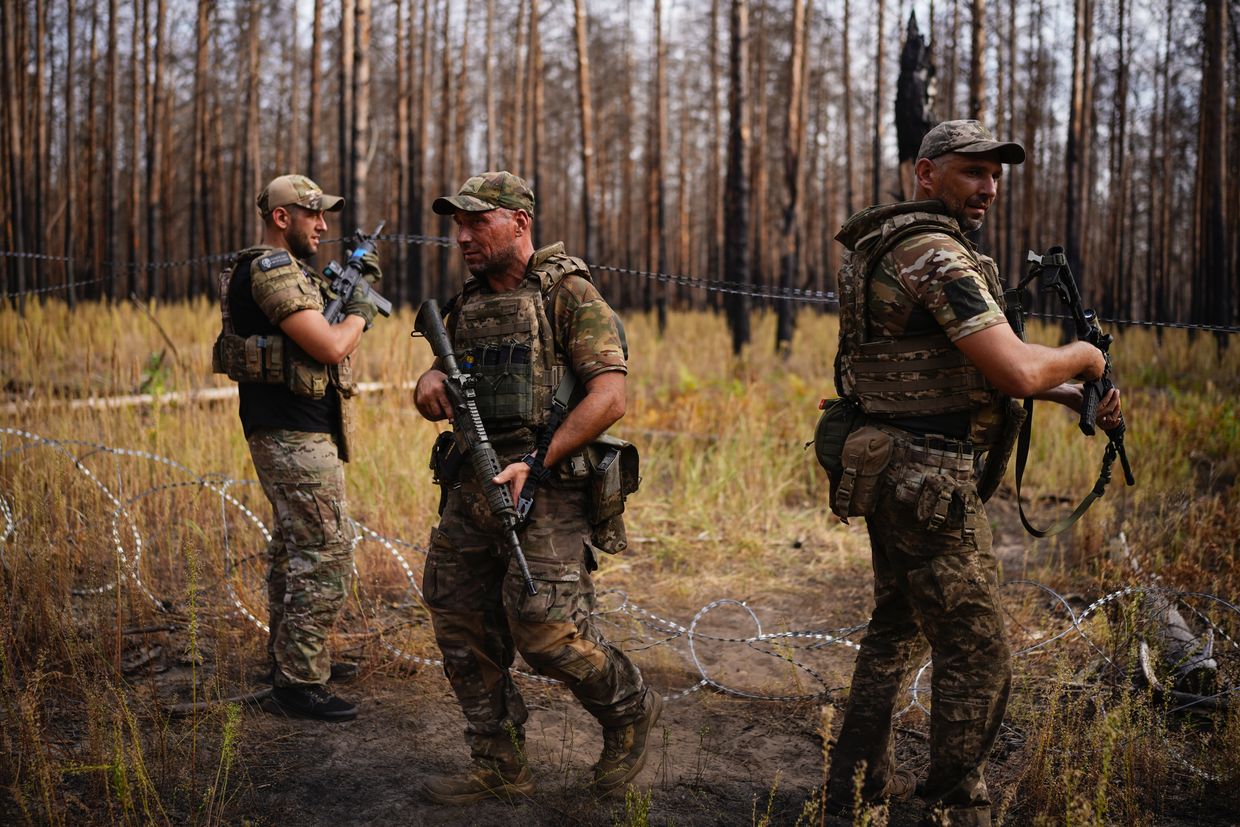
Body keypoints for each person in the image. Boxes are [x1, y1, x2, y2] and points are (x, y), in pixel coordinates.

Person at [823, 121, 1124, 826]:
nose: (988, 187)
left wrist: (1074, 396)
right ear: (925, 174)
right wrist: (1083, 356)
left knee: (895, 632)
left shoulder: (895, 244)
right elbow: (1015, 365)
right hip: (928, 483)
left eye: (995, 174)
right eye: (971, 172)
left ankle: (851, 795)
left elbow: (951, 372)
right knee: (981, 653)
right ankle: (955, 808)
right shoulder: (934, 253)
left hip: (894, 466)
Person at [413, 171, 661, 804]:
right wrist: (427, 387)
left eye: (477, 222)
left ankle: (628, 709)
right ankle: (497, 761)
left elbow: (610, 397)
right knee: (461, 621)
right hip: (471, 485)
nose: (463, 236)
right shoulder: (464, 304)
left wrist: (536, 461)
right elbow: (440, 381)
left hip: (544, 487)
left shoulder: (569, 295)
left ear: (520, 222)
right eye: (457, 224)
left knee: (547, 632)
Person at [213, 174, 383, 722]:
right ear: (281, 217)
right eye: (313, 214)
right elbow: (331, 345)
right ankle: (300, 684)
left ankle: (293, 662)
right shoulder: (271, 269)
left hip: (295, 430)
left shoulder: (286, 273)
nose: (323, 225)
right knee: (327, 553)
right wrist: (360, 309)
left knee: (294, 552)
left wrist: (351, 287)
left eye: (325, 215)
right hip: (292, 434)